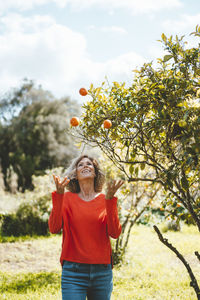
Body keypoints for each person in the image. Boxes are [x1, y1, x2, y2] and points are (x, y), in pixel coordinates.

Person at [48, 154, 124, 300]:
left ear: (95, 172)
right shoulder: (67, 198)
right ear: (75, 173)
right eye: (80, 164)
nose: (85, 166)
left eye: (89, 164)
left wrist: (110, 201)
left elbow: (114, 233)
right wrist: (59, 195)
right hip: (73, 272)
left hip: (102, 272)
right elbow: (54, 228)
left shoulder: (105, 199)